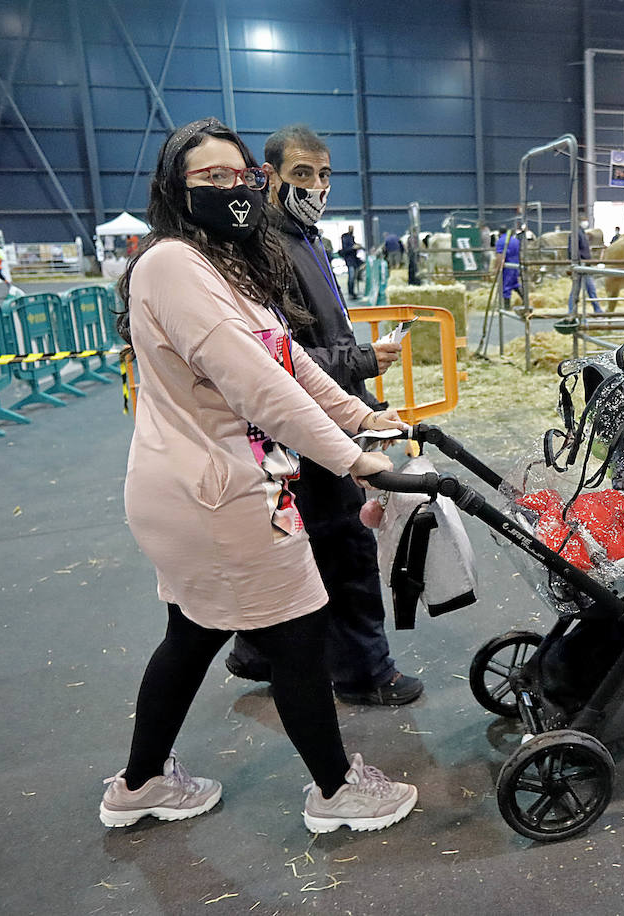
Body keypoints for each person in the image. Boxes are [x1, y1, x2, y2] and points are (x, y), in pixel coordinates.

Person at [99, 117, 417, 833]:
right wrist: (353, 458)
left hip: (201, 487)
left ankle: (141, 782)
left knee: (192, 633)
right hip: (215, 491)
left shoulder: (227, 264)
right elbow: (254, 386)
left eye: (238, 176)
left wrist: (360, 418)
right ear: (176, 188)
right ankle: (337, 793)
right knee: (299, 635)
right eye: (210, 178)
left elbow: (288, 362)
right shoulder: (173, 264)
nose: (231, 189)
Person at [220, 122, 422, 707]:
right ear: (270, 177)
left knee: (295, 541)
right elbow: (278, 355)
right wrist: (360, 360)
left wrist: (361, 379)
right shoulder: (270, 248)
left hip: (314, 413)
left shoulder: (307, 239)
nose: (317, 185)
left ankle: (256, 652)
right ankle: (364, 672)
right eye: (302, 174)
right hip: (305, 423)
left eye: (325, 174)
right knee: (344, 545)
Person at [570, 219, 601, 314]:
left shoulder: (581, 233)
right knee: (589, 288)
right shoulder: (576, 234)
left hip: (584, 264)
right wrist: (580, 261)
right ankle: (597, 309)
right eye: (584, 221)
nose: (586, 223)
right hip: (582, 265)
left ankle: (572, 310)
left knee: (577, 290)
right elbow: (573, 250)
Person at [494, 224, 525, 313]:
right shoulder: (515, 240)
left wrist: (497, 267)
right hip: (516, 265)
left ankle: (507, 307)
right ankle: (526, 301)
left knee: (506, 286)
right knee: (515, 284)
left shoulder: (500, 241)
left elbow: (500, 256)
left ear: (499, 233)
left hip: (507, 267)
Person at [339, 225, 362, 298]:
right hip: (349, 260)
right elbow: (345, 249)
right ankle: (351, 293)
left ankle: (352, 293)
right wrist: (353, 247)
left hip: (353, 259)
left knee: (353, 277)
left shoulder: (351, 238)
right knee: (351, 277)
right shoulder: (346, 238)